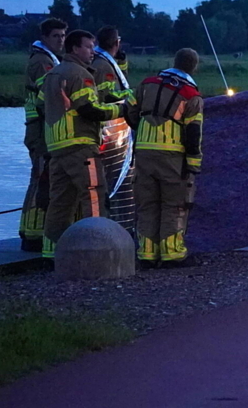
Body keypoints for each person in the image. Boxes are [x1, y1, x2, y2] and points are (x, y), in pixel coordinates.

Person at [40, 30, 124, 259]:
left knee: (60, 201)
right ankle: (98, 249)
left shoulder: (53, 74)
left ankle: (51, 252)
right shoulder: (80, 74)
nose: (92, 51)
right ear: (75, 48)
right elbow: (90, 110)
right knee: (94, 194)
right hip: (81, 146)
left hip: (56, 148)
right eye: (88, 47)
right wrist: (122, 109)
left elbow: (41, 106)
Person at [125, 49, 204, 267]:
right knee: (174, 205)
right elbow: (193, 133)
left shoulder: (147, 83)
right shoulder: (191, 95)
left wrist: (140, 129)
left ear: (174, 61)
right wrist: (193, 163)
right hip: (172, 155)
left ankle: (147, 255)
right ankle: (172, 255)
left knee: (147, 204)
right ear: (194, 67)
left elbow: (128, 109)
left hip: (143, 153)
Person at [19, 18, 66, 252]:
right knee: (41, 180)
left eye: (63, 35)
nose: (61, 40)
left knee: (42, 179)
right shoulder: (41, 62)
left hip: (42, 128)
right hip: (39, 131)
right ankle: (33, 233)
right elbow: (48, 93)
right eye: (56, 36)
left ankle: (34, 230)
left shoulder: (49, 59)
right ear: (45, 37)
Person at [90, 26, 135, 104]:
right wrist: (133, 92)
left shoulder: (98, 58)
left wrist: (122, 61)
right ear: (117, 42)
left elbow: (122, 77)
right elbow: (109, 95)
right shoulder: (103, 65)